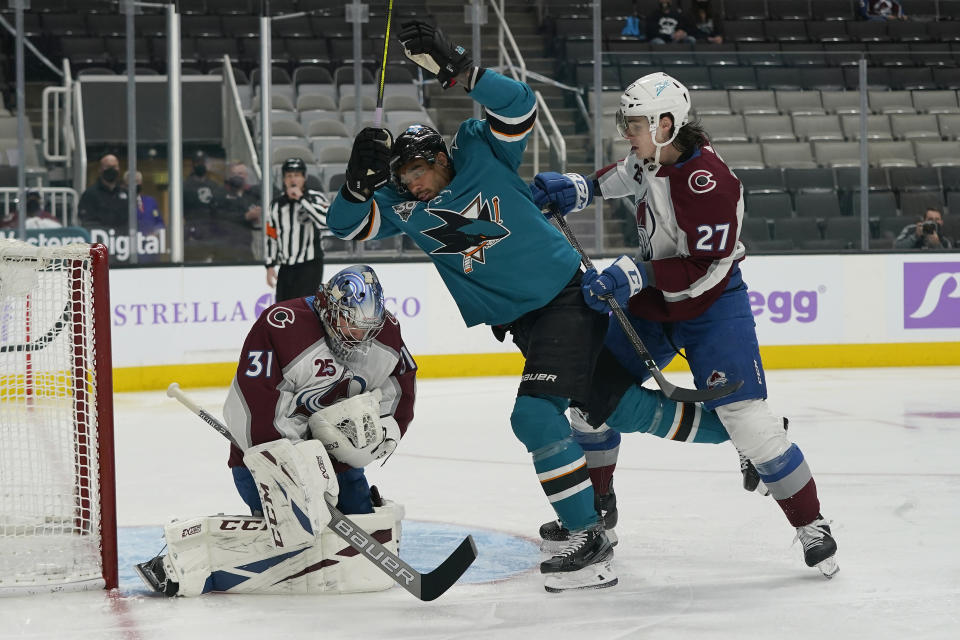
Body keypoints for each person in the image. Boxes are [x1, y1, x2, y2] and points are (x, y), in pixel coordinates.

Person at [530, 71, 840, 579]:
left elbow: (706, 271)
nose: (626, 131)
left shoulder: (712, 184)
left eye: (635, 123)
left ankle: (812, 524)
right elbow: (625, 175)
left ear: (667, 124)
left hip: (713, 309)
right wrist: (577, 189)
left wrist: (636, 273)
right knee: (589, 400)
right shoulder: (653, 156)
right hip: (654, 298)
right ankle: (598, 516)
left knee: (752, 427)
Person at [135, 264, 416, 596]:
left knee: (363, 533)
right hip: (264, 461)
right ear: (328, 306)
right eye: (349, 324)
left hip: (336, 459)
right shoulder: (281, 326)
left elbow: (399, 385)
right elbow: (251, 407)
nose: (358, 337)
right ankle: (189, 564)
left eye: (367, 328)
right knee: (294, 533)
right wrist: (292, 467)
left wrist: (389, 429)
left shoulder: (385, 333)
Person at [265, 157, 330, 301]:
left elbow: (325, 221)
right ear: (283, 179)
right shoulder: (276, 205)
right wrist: (270, 265)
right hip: (286, 267)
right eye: (289, 176)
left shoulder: (316, 198)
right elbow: (271, 235)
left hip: (310, 265)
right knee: (283, 310)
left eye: (296, 175)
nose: (292, 179)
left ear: (304, 178)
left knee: (305, 309)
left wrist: (302, 199)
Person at [182, 150, 227, 263]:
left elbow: (219, 209)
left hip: (211, 231)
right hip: (192, 230)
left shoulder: (214, 185)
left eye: (202, 162)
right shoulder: (185, 186)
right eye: (197, 162)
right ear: (193, 164)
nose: (200, 165)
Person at [221, 161, 262, 262]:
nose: (237, 177)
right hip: (228, 244)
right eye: (234, 174)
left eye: (240, 174)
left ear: (246, 175)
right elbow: (221, 216)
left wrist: (260, 212)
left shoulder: (254, 193)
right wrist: (245, 216)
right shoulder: (222, 194)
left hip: (250, 243)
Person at [77, 153, 129, 233]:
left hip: (123, 240)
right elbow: (87, 221)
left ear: (119, 169)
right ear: (100, 169)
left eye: (114, 167)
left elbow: (131, 220)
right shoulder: (90, 194)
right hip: (99, 240)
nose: (111, 170)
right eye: (108, 167)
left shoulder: (126, 194)